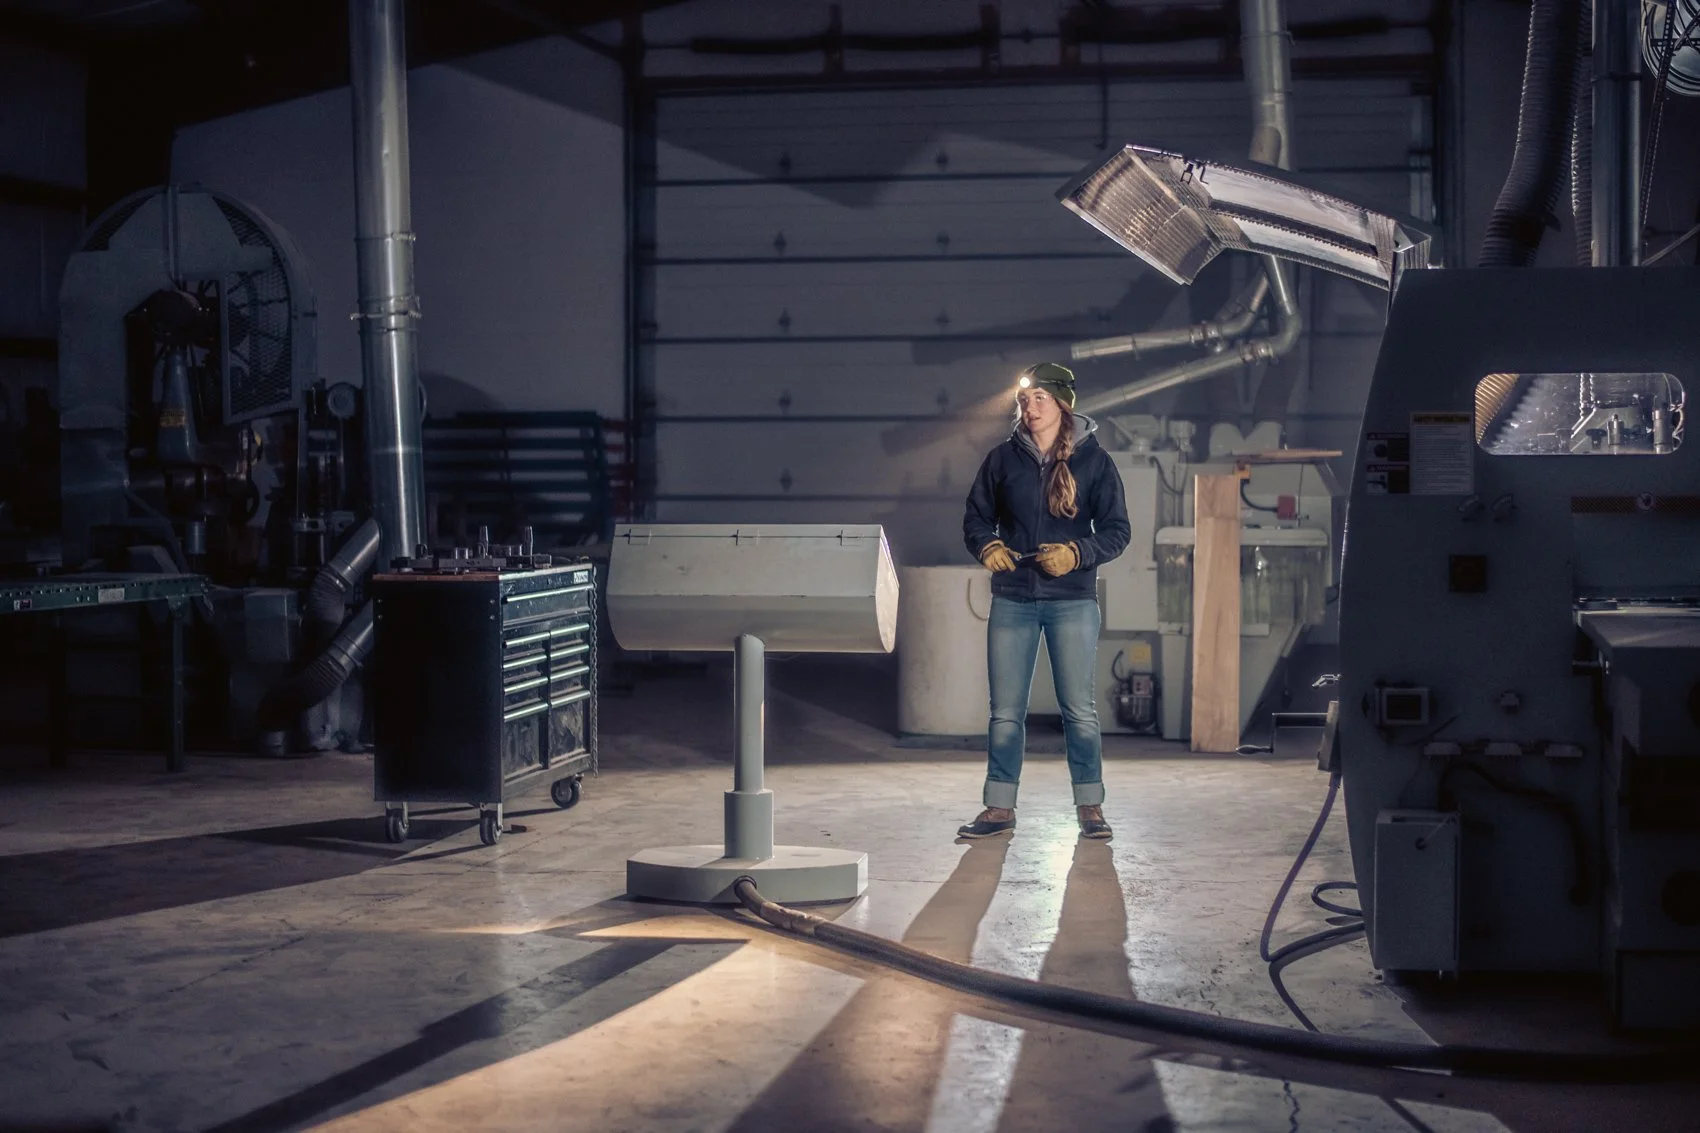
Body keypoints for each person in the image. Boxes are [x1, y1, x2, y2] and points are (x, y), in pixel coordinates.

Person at [958, 362, 1131, 840]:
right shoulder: (1001, 460)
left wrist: (1076, 553)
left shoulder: (1094, 462)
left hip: (1072, 601)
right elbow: (975, 519)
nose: (1029, 408)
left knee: (1079, 709)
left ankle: (1090, 807)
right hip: (1013, 599)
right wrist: (987, 546)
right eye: (1024, 400)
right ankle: (998, 808)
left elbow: (1118, 532)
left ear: (1062, 404)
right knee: (1005, 712)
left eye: (1040, 399)